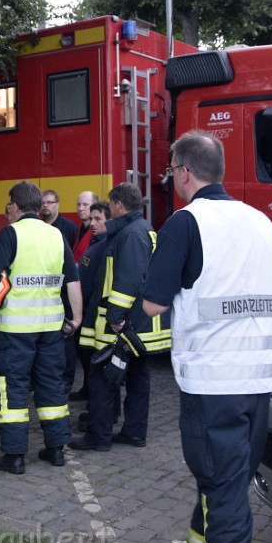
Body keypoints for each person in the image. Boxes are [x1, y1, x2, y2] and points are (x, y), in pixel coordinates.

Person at [141, 131, 272, 543]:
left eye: (172, 170)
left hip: (212, 383)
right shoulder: (261, 221)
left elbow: (154, 303)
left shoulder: (185, 222)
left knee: (219, 480)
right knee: (226, 477)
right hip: (258, 381)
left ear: (184, 172)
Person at [0, 180, 81, 475]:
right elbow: (72, 281)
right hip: (51, 328)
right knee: (51, 385)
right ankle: (56, 449)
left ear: (16, 207)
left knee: (13, 389)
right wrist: (77, 319)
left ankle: (14, 455)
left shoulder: (10, 233)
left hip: (16, 331)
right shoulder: (57, 235)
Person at [70, 182, 170, 452]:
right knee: (137, 376)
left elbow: (128, 280)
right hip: (139, 323)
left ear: (119, 205)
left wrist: (115, 317)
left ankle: (98, 437)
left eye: (111, 204)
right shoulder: (142, 229)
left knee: (102, 377)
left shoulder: (131, 234)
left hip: (123, 323)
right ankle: (133, 432)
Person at [67, 200, 110, 403]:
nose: (92, 223)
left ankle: (94, 396)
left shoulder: (105, 245)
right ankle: (87, 388)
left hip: (93, 309)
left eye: (97, 219)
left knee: (92, 355)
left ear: (108, 221)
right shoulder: (94, 241)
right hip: (85, 307)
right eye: (91, 218)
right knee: (84, 353)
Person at [71, 191, 98, 263]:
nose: (80, 208)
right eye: (78, 204)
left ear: (94, 206)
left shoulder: (97, 231)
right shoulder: (79, 228)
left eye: (85, 205)